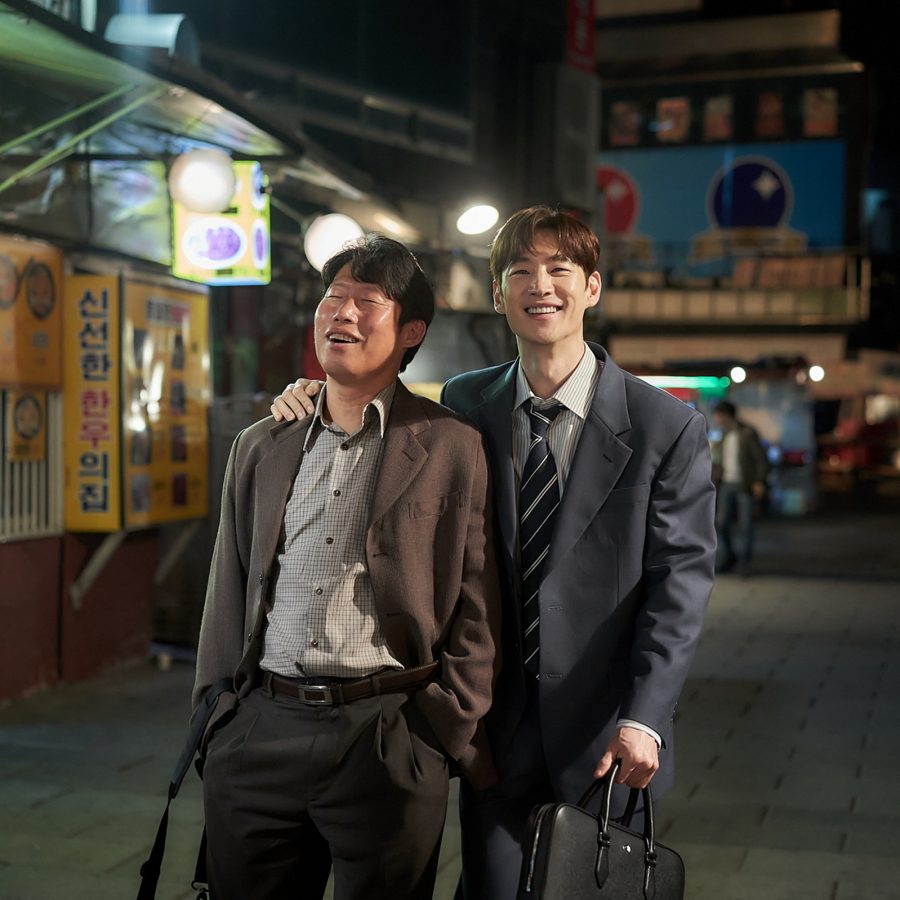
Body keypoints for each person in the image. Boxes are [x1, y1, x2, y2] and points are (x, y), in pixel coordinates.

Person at [272, 206, 717, 899]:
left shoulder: (665, 426)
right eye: (520, 271)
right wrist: (313, 394)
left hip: (605, 732)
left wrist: (645, 717)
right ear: (497, 294)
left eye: (560, 269)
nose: (541, 285)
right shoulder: (467, 400)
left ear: (592, 287)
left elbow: (679, 586)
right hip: (491, 725)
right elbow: (379, 421)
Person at [194, 234, 502, 900]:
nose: (344, 313)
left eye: (368, 301)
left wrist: (440, 728)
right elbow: (228, 584)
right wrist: (216, 715)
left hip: (388, 732)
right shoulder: (263, 443)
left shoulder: (451, 445)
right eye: (334, 297)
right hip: (262, 726)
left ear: (411, 331)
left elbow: (478, 603)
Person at [709, 399, 768, 575]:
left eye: (718, 415)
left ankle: (745, 562)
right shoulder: (723, 435)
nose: (717, 419)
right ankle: (729, 557)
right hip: (726, 483)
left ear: (727, 415)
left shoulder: (747, 433)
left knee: (746, 525)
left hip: (745, 484)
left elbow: (760, 459)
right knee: (721, 523)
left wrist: (760, 481)